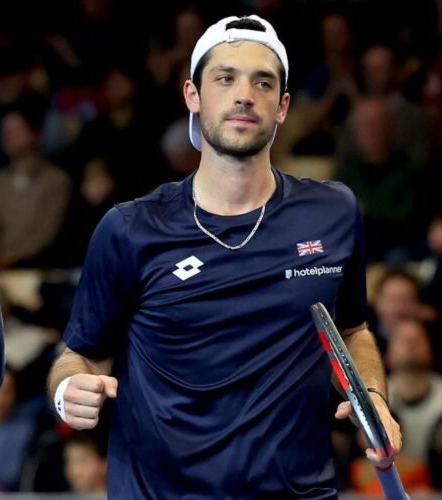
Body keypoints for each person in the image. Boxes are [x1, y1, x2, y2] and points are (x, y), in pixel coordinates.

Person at [47, 15, 402, 498]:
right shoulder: (129, 229)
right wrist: (67, 391)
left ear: (283, 106)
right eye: (225, 78)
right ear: (193, 95)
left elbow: (352, 331)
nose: (245, 95)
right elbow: (81, 357)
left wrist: (373, 397)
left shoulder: (333, 213)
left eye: (263, 82)